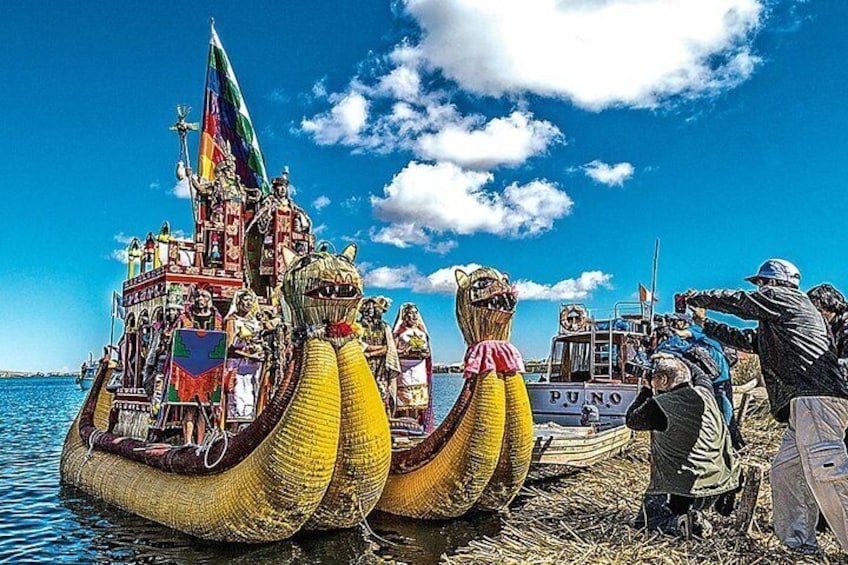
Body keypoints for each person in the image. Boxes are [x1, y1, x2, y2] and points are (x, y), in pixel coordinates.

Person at [685, 259, 848, 554]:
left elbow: (739, 301)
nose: (759, 289)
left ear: (774, 283)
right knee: (785, 472)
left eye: (761, 284)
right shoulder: (782, 323)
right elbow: (748, 340)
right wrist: (704, 324)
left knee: (827, 474)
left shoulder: (787, 298)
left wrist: (696, 297)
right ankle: (800, 545)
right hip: (804, 404)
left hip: (816, 399)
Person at [626, 356, 740, 538]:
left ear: (663, 380)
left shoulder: (660, 406)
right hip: (720, 484)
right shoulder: (705, 393)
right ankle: (696, 513)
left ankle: (683, 522)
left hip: (683, 490)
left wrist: (647, 390)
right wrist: (677, 358)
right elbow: (700, 375)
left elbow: (631, 420)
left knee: (646, 523)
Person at [666, 312, 746, 449]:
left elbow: (698, 336)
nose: (673, 324)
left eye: (676, 321)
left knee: (726, 414)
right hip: (704, 383)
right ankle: (722, 445)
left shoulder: (698, 331)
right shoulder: (681, 340)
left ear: (685, 322)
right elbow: (673, 350)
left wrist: (685, 333)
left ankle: (734, 446)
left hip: (720, 380)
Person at [180, 286, 223, 445]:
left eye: (203, 296)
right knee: (190, 406)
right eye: (197, 296)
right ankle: (187, 441)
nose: (199, 299)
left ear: (210, 299)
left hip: (209, 367)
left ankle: (199, 442)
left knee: (204, 407)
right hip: (189, 367)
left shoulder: (216, 320)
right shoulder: (185, 318)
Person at [222, 289, 265, 428]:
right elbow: (229, 346)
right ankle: (235, 431)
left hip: (255, 366)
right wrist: (248, 354)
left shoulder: (257, 321)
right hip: (237, 364)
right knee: (237, 397)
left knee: (253, 396)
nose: (248, 303)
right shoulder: (232, 321)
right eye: (245, 300)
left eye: (250, 300)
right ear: (238, 302)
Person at [393, 303, 434, 432]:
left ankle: (418, 427)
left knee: (419, 401)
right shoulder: (399, 333)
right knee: (406, 400)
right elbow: (393, 352)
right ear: (405, 316)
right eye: (411, 313)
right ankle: (405, 427)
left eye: (416, 313)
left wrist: (425, 353)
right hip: (404, 369)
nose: (414, 316)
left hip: (419, 369)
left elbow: (427, 351)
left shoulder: (422, 331)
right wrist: (405, 352)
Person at [359, 297, 401, 414]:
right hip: (362, 364)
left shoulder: (384, 327)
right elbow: (357, 344)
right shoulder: (358, 327)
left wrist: (369, 352)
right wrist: (366, 350)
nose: (370, 312)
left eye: (373, 309)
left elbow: (389, 348)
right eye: (367, 310)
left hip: (380, 365)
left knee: (381, 391)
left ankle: (383, 417)